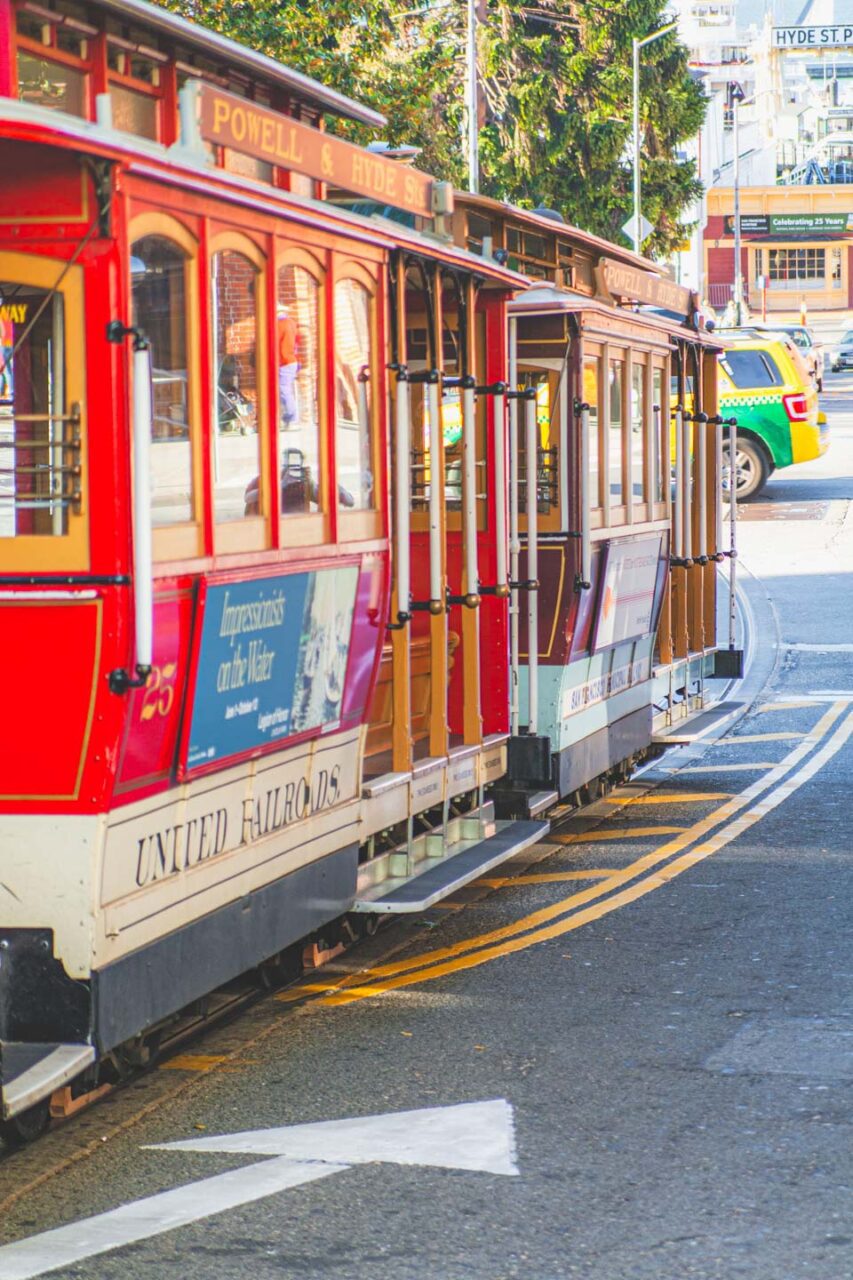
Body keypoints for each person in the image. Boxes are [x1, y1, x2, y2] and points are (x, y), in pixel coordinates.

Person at [277, 303, 298, 426]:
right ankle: (289, 417)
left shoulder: (279, 325)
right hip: (290, 360)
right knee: (285, 389)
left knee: (284, 390)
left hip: (283, 361)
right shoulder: (291, 323)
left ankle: (290, 417)